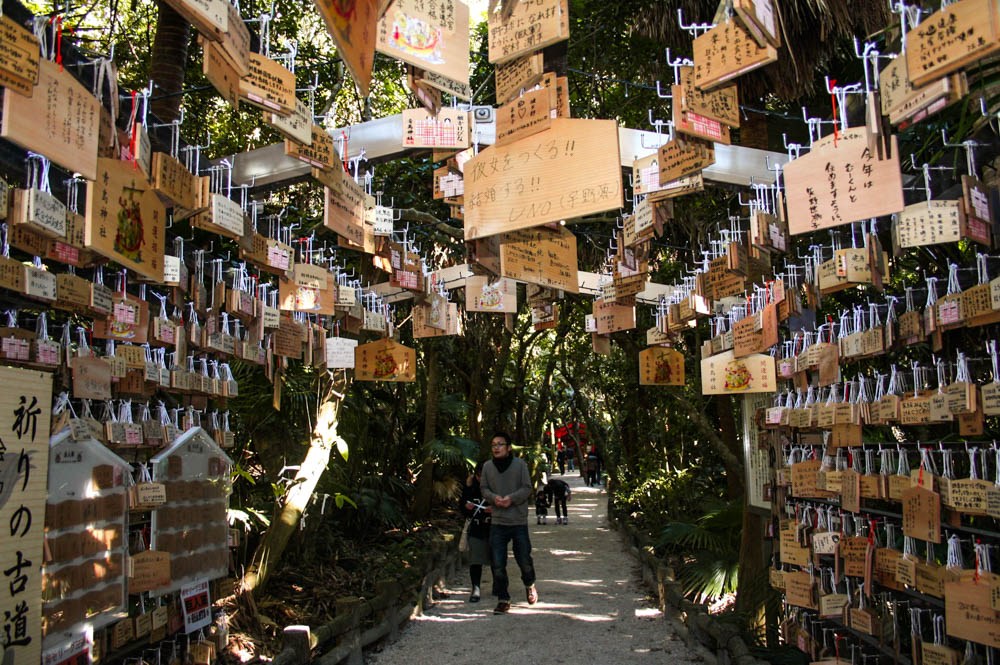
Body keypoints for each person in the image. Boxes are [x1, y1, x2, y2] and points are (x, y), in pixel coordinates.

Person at [480, 431, 537, 614]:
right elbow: (484, 488)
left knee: (524, 559)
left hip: (517, 520)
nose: (496, 447)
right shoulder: (488, 467)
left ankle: (529, 584)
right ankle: (503, 598)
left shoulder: (520, 465)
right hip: (498, 521)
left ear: (509, 447)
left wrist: (511, 499)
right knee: (497, 563)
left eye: (500, 444)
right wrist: (494, 498)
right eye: (493, 445)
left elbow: (527, 487)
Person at [461, 461, 492, 602]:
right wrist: (467, 507)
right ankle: (476, 588)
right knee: (475, 560)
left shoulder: (496, 486)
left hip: (493, 527)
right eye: (479, 476)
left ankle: (499, 585)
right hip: (476, 527)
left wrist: (494, 509)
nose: (481, 479)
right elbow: (462, 506)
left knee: (496, 559)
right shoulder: (469, 487)